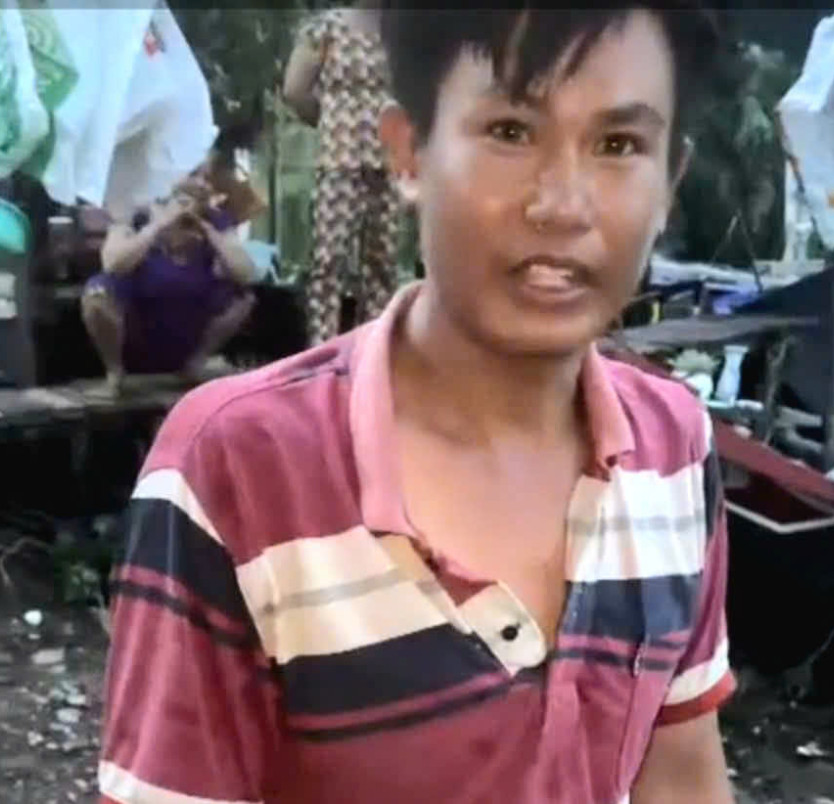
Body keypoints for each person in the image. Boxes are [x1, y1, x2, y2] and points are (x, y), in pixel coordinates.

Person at [99, 5, 736, 804]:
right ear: (407, 153)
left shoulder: (675, 447)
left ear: (670, 181)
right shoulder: (237, 470)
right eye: (511, 131)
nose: (564, 205)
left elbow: (681, 774)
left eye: (618, 145)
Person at [283, 0, 402, 345]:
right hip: (339, 161)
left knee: (382, 264)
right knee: (328, 260)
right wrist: (332, 124)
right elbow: (294, 91)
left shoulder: (399, 32)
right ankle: (322, 346)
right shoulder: (325, 28)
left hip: (389, 161)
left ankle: (373, 346)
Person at [81, 175, 256, 396]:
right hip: (135, 325)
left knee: (243, 297)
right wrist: (158, 225)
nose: (201, 183)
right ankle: (115, 373)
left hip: (187, 324)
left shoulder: (213, 221)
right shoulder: (136, 216)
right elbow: (113, 264)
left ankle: (194, 365)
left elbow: (245, 273)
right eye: (182, 198)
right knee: (97, 294)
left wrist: (208, 230)